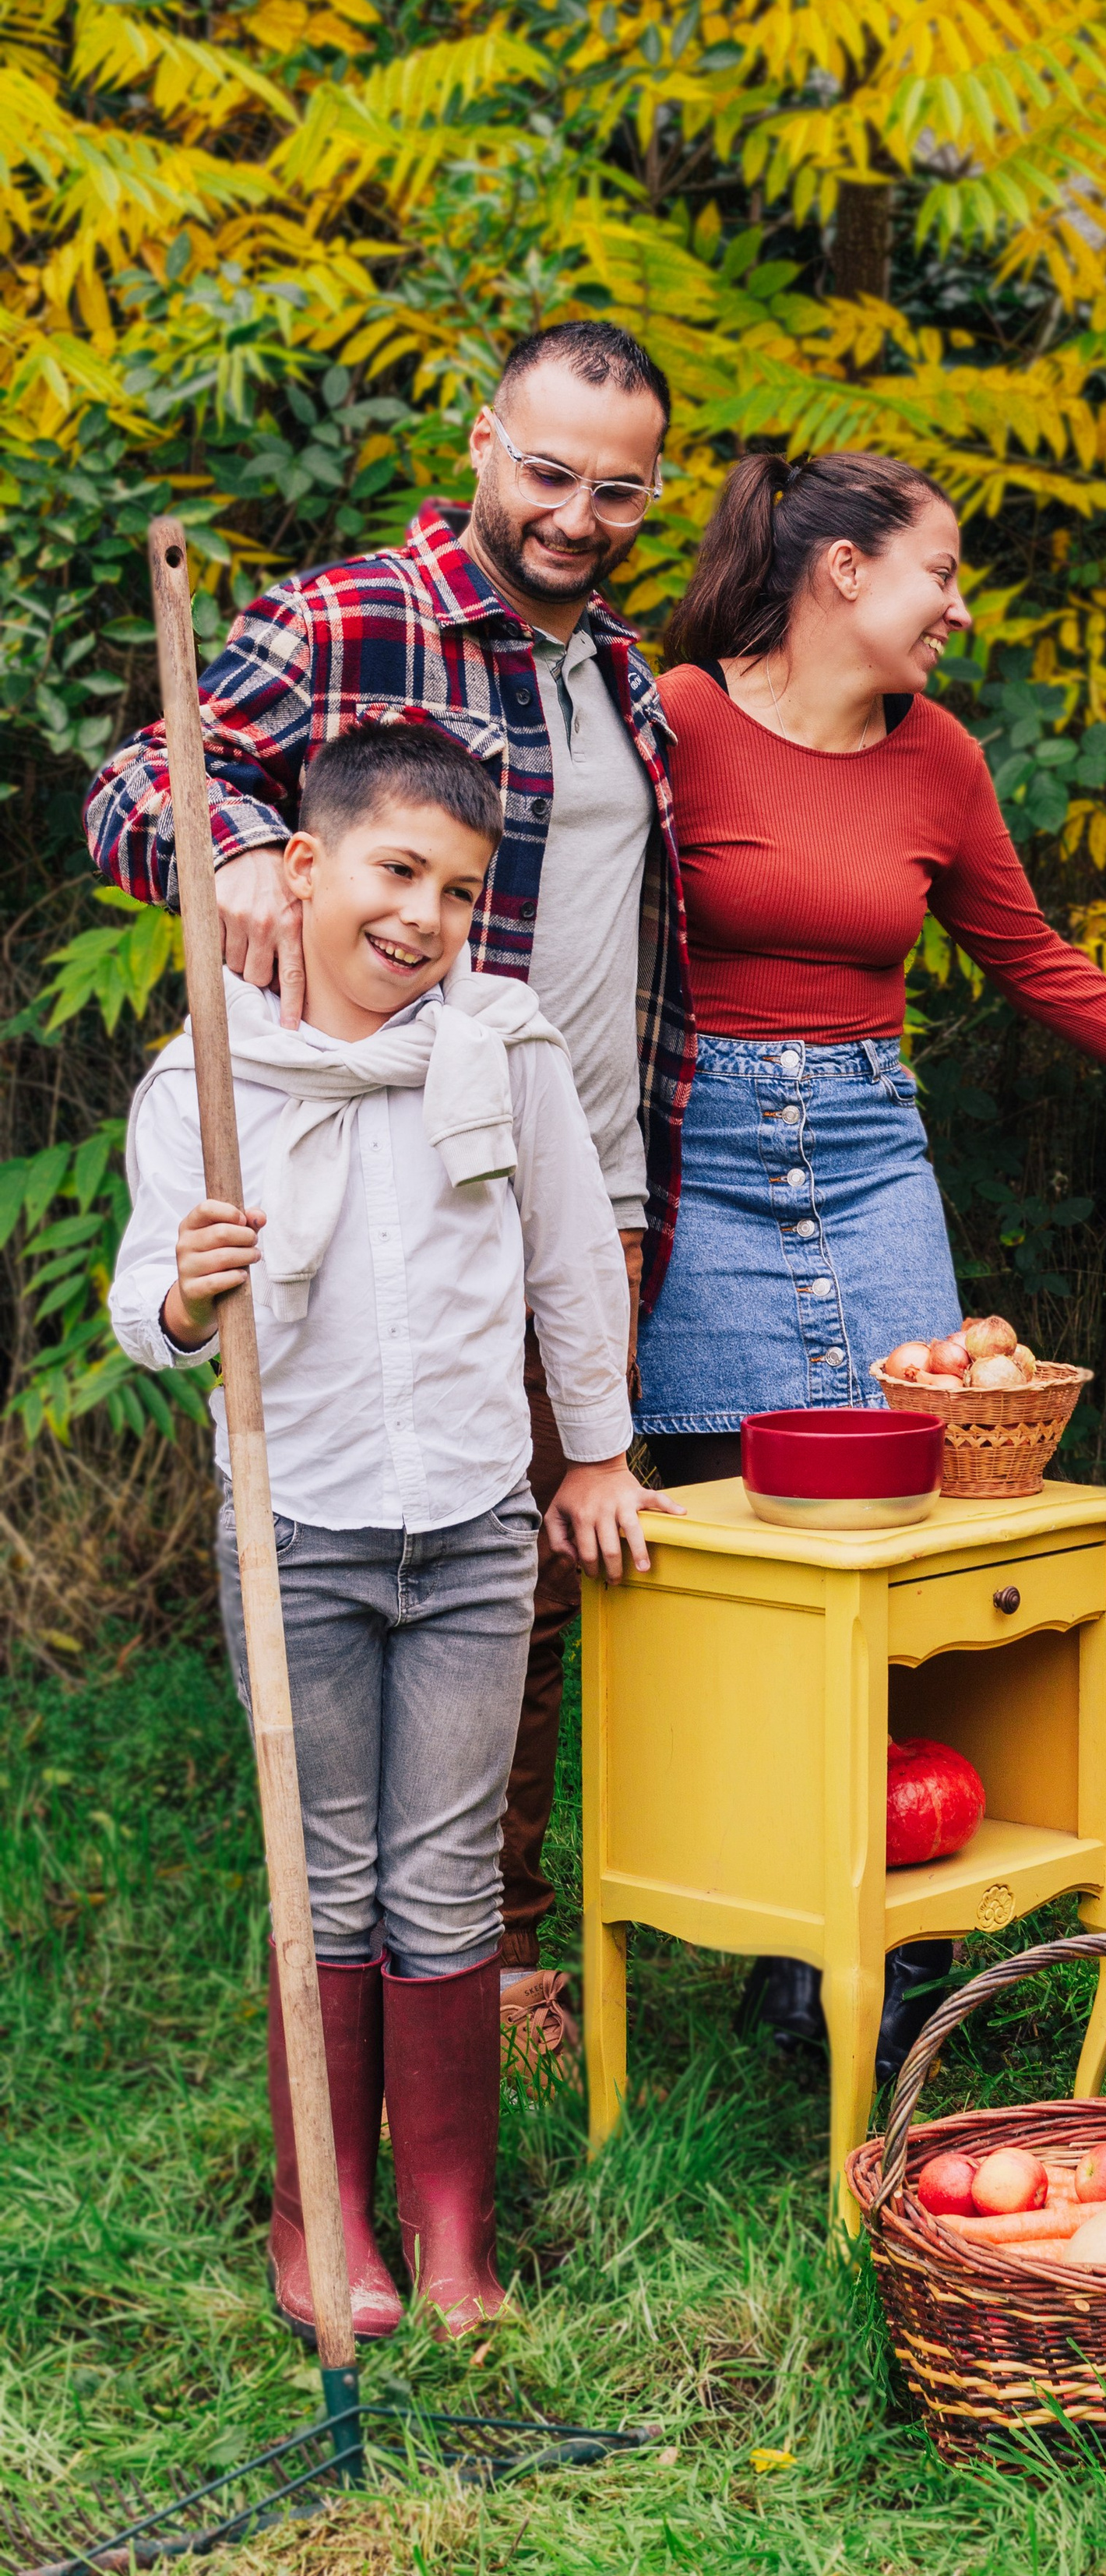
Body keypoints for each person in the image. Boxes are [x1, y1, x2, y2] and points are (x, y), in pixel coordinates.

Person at [638, 446, 1106, 2060]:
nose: (959, 606)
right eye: (938, 571)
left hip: (869, 1155)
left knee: (920, 1531)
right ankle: (764, 1894)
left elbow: (1032, 961)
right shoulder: (670, 717)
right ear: (842, 574)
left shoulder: (934, 755)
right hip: (696, 1157)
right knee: (744, 1556)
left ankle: (877, 1937)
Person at [85, 319, 692, 2077]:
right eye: (549, 470)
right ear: (485, 443)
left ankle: (476, 1950)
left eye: (617, 487)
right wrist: (230, 875)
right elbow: (140, 779)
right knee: (377, 1534)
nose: (576, 512)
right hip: (383, 1150)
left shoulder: (622, 679)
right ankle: (383, 1958)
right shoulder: (362, 613)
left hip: (577, 1157)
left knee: (533, 1559)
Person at [107, 728, 656, 2338]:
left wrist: (599, 1457)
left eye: (460, 892)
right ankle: (323, 2216)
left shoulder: (504, 1049)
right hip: (301, 1533)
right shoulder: (209, 1082)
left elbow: (568, 1269)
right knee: (325, 1875)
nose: (424, 916)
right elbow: (148, 1309)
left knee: (449, 1880)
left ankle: (449, 2222)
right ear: (303, 870)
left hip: (475, 1529)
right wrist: (196, 1287)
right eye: (395, 872)